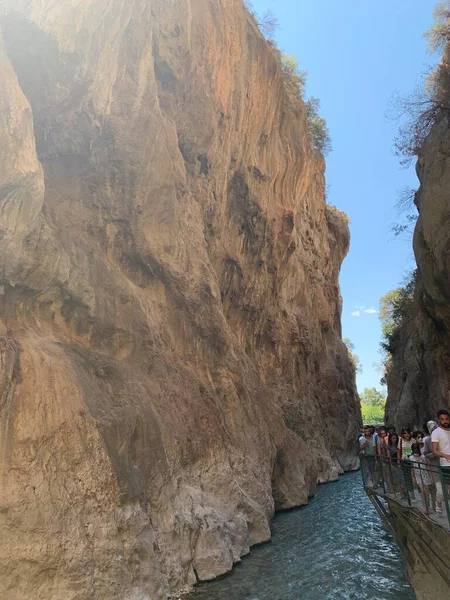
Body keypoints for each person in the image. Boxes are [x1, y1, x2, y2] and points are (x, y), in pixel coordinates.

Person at [409, 442, 436, 515]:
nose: (416, 454)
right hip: (418, 476)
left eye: (417, 452)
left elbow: (428, 466)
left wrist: (431, 476)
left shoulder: (423, 457)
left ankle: (427, 506)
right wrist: (413, 477)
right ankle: (425, 506)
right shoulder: (411, 458)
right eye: (415, 452)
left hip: (425, 475)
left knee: (426, 491)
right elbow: (412, 468)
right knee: (423, 491)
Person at [423, 420, 443, 513]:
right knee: (439, 488)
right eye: (432, 428)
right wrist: (434, 454)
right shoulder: (427, 440)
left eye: (436, 427)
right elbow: (426, 454)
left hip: (445, 465)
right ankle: (438, 504)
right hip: (435, 467)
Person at [431, 409, 450, 497]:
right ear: (439, 420)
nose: (445, 421)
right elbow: (434, 451)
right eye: (442, 419)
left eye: (446, 419)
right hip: (446, 464)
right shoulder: (436, 433)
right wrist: (445, 455)